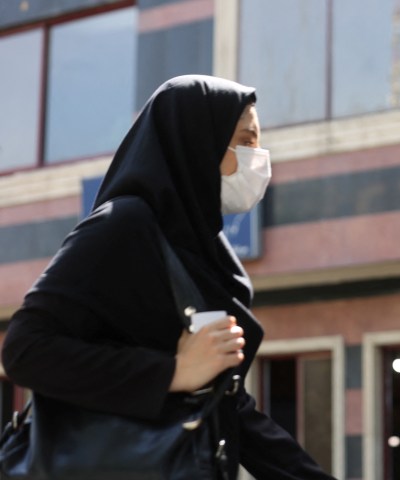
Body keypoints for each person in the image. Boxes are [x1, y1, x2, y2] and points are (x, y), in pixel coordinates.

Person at [1, 75, 334, 479]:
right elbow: (25, 350)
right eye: (245, 142)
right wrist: (171, 372)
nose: (258, 158)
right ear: (197, 141)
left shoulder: (206, 254)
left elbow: (225, 404)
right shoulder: (122, 226)